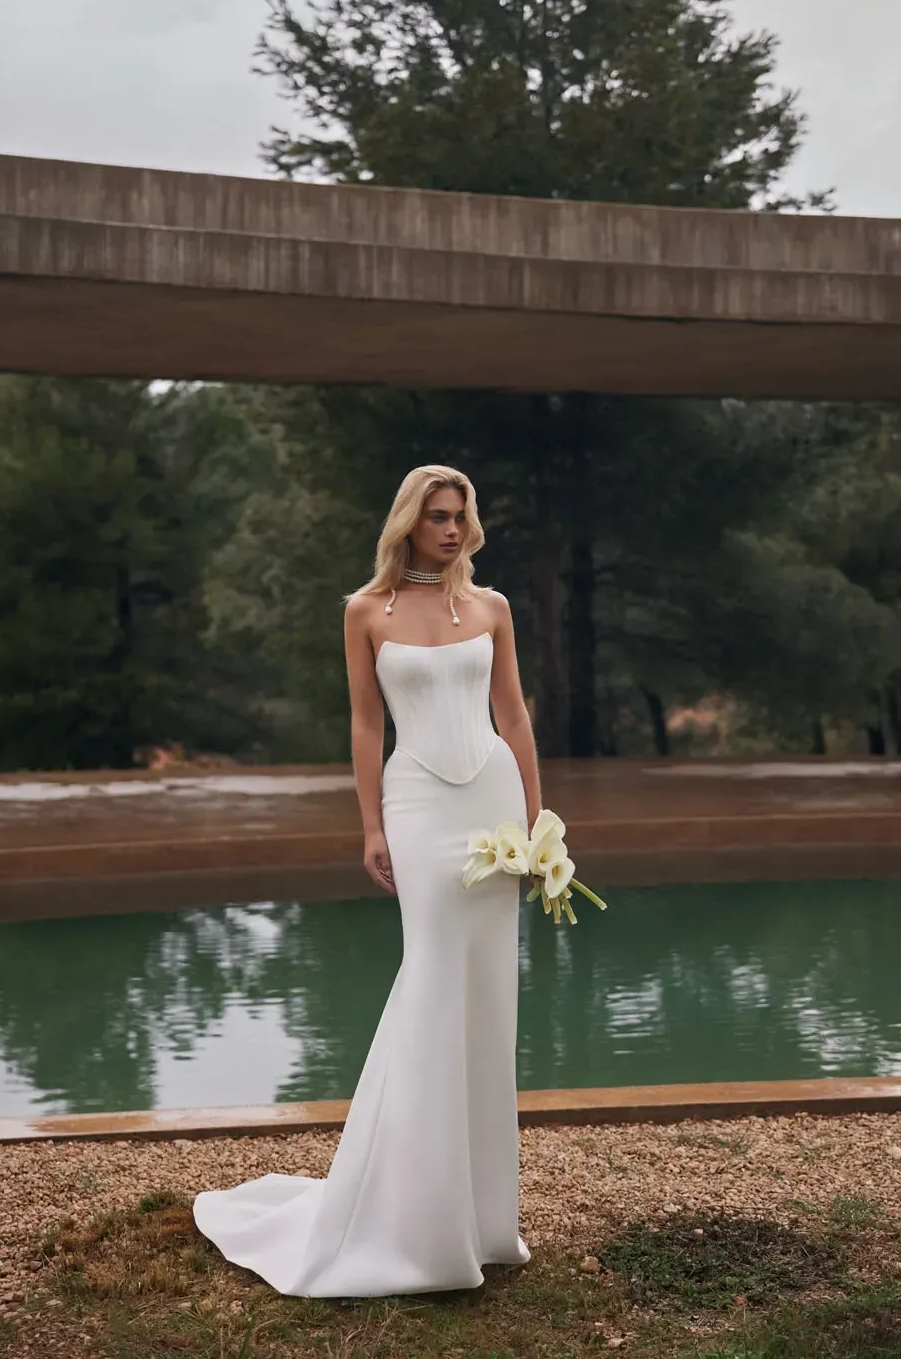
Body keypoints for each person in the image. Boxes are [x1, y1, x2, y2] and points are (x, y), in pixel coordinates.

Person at [193, 463, 542, 1297]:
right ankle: (413, 1222)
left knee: (488, 1000)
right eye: (437, 518)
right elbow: (364, 720)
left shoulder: (490, 608)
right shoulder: (365, 612)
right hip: (418, 801)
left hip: (493, 802)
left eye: (461, 516)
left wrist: (538, 818)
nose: (452, 530)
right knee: (429, 982)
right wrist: (371, 823)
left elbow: (515, 713)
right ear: (408, 524)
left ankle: (484, 1221)